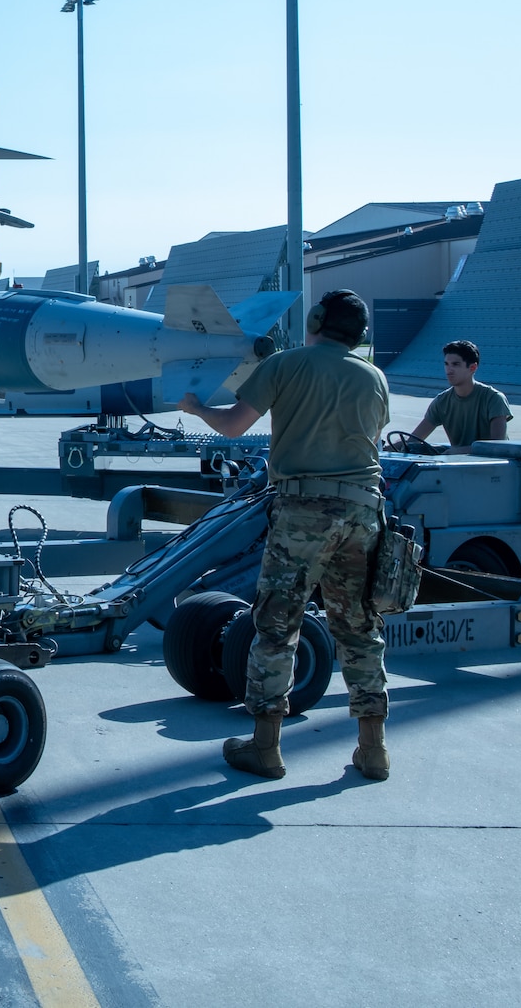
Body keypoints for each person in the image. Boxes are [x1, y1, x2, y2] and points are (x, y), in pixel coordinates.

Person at [178, 288, 394, 782]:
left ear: (317, 318)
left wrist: (196, 408)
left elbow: (234, 426)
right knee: (359, 628)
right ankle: (373, 748)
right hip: (364, 510)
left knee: (278, 627)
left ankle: (266, 746)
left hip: (303, 512)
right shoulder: (374, 377)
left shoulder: (286, 364)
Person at [410, 340, 511, 452]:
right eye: (446, 364)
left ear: (472, 368)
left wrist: (457, 451)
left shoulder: (493, 398)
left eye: (455, 364)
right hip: (457, 465)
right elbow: (414, 439)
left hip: (493, 467)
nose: (449, 370)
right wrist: (388, 449)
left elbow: (497, 447)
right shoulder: (442, 401)